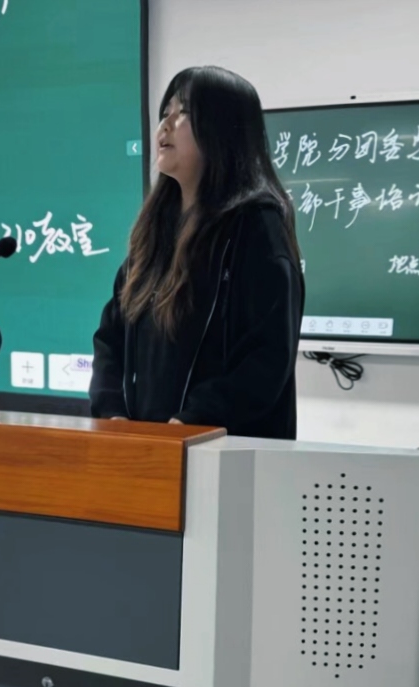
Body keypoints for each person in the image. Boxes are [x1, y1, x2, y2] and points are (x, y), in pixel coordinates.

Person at [89, 66, 303, 439]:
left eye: (183, 112)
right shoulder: (156, 230)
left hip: (218, 451)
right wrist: (112, 411)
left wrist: (193, 420)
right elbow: (111, 337)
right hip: (144, 447)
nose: (165, 125)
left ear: (222, 129)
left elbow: (266, 358)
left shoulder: (256, 227)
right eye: (165, 112)